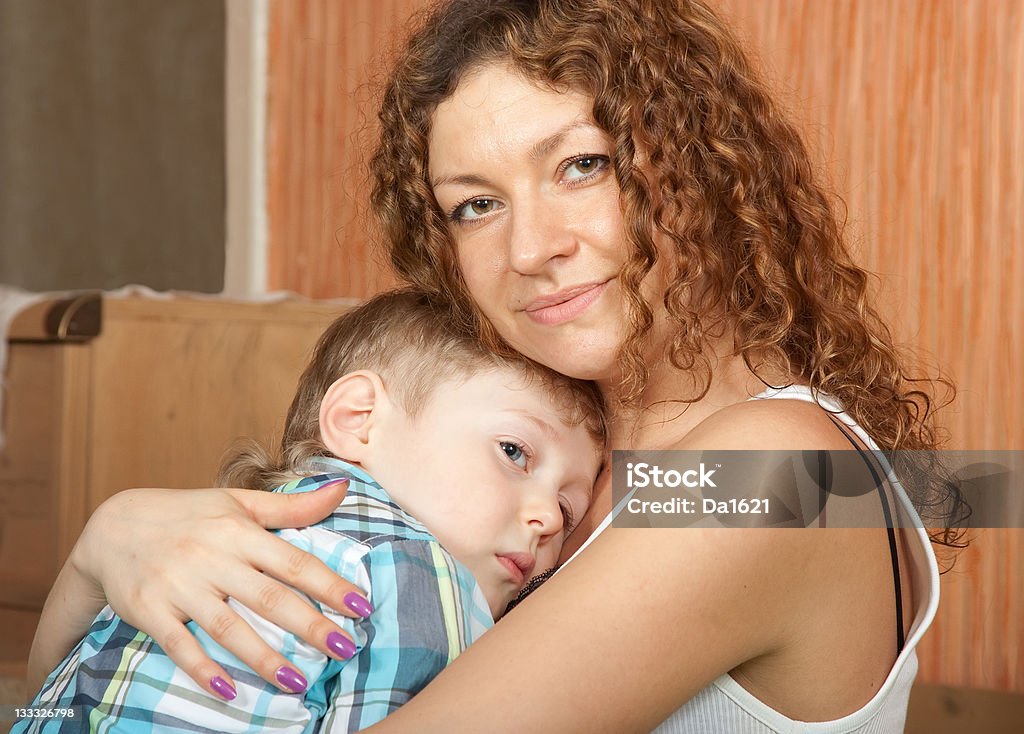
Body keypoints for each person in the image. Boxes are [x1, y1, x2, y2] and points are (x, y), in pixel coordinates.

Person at [27, 1, 967, 731]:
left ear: (701, 167)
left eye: (582, 165)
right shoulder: (554, 463)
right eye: (475, 205)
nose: (530, 247)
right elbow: (110, 703)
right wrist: (100, 555)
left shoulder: (771, 473)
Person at [17, 288, 604, 732]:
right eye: (513, 452)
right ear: (358, 419)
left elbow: (51, 701)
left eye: (566, 507)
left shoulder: (211, 537)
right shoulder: (416, 572)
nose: (549, 521)